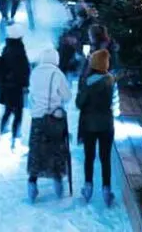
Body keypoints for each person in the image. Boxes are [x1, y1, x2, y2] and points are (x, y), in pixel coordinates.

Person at [27, 47, 72, 202]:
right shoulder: (57, 74)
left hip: (37, 118)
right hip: (55, 118)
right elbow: (67, 96)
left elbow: (31, 94)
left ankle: (32, 183)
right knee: (56, 149)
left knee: (36, 149)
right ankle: (57, 179)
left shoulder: (35, 73)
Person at [76, 49, 119, 207]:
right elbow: (116, 103)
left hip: (89, 125)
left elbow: (79, 103)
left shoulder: (88, 82)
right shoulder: (111, 80)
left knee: (89, 157)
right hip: (107, 124)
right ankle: (107, 190)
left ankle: (88, 187)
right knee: (105, 158)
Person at [0, 24, 30, 150]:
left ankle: (1, 134)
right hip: (17, 87)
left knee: (8, 111)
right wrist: (26, 84)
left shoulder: (7, 48)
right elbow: (23, 69)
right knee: (18, 113)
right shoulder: (19, 50)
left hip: (6, 87)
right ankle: (15, 140)